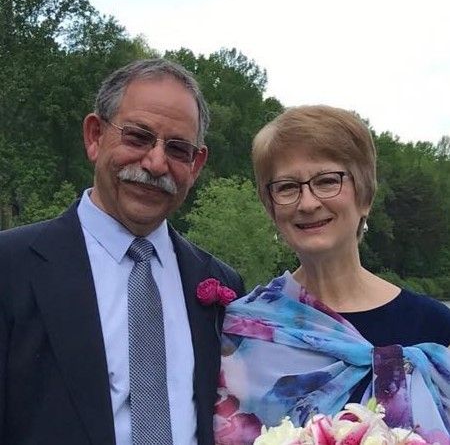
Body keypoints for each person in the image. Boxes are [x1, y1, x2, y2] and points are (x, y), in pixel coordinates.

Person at [0, 58, 245, 445]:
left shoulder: (221, 285)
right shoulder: (11, 267)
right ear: (95, 136)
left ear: (196, 164)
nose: (156, 163)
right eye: (138, 137)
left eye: (178, 149)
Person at [214, 105, 450, 444]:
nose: (308, 203)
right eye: (287, 187)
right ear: (271, 207)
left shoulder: (437, 328)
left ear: (364, 195)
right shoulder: (240, 334)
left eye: (327, 181)